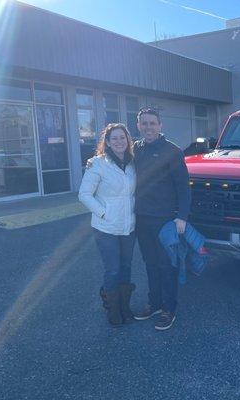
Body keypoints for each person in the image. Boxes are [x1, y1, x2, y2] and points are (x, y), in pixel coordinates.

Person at [133, 108, 191, 331]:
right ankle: (155, 303)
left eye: (152, 123)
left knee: (167, 265)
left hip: (166, 220)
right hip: (142, 218)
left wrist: (182, 217)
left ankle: (169, 309)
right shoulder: (135, 149)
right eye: (144, 124)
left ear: (160, 125)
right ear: (138, 126)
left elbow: (183, 187)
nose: (148, 127)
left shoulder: (173, 151)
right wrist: (94, 161)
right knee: (150, 263)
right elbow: (115, 158)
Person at [78, 123, 137, 326]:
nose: (119, 141)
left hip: (128, 225)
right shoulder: (97, 164)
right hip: (106, 227)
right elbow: (84, 195)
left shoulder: (132, 163)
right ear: (108, 142)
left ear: (128, 140)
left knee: (126, 266)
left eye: (123, 137)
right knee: (113, 268)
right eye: (114, 138)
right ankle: (113, 310)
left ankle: (124, 307)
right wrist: (104, 213)